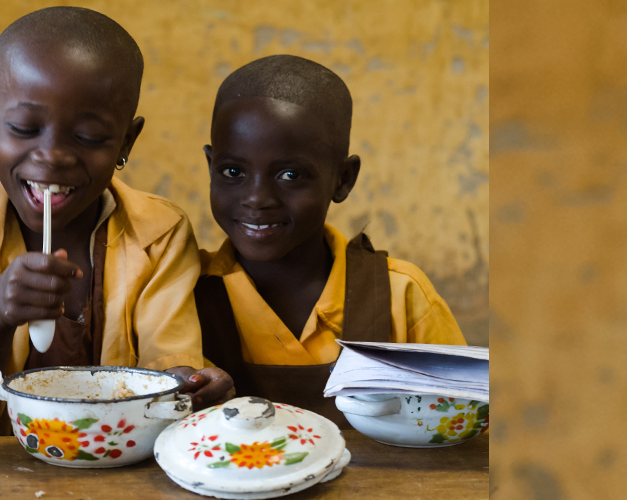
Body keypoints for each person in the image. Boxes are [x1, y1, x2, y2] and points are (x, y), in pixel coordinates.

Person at [0, 7, 234, 431]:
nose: (52, 156)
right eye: (24, 128)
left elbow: (167, 369)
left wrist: (188, 385)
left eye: (88, 138)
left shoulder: (161, 233)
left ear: (126, 141)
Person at [195, 54, 467, 428]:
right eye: (233, 171)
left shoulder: (400, 295)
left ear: (343, 179)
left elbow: (461, 422)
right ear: (211, 167)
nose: (257, 198)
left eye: (291, 174)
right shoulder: (185, 292)